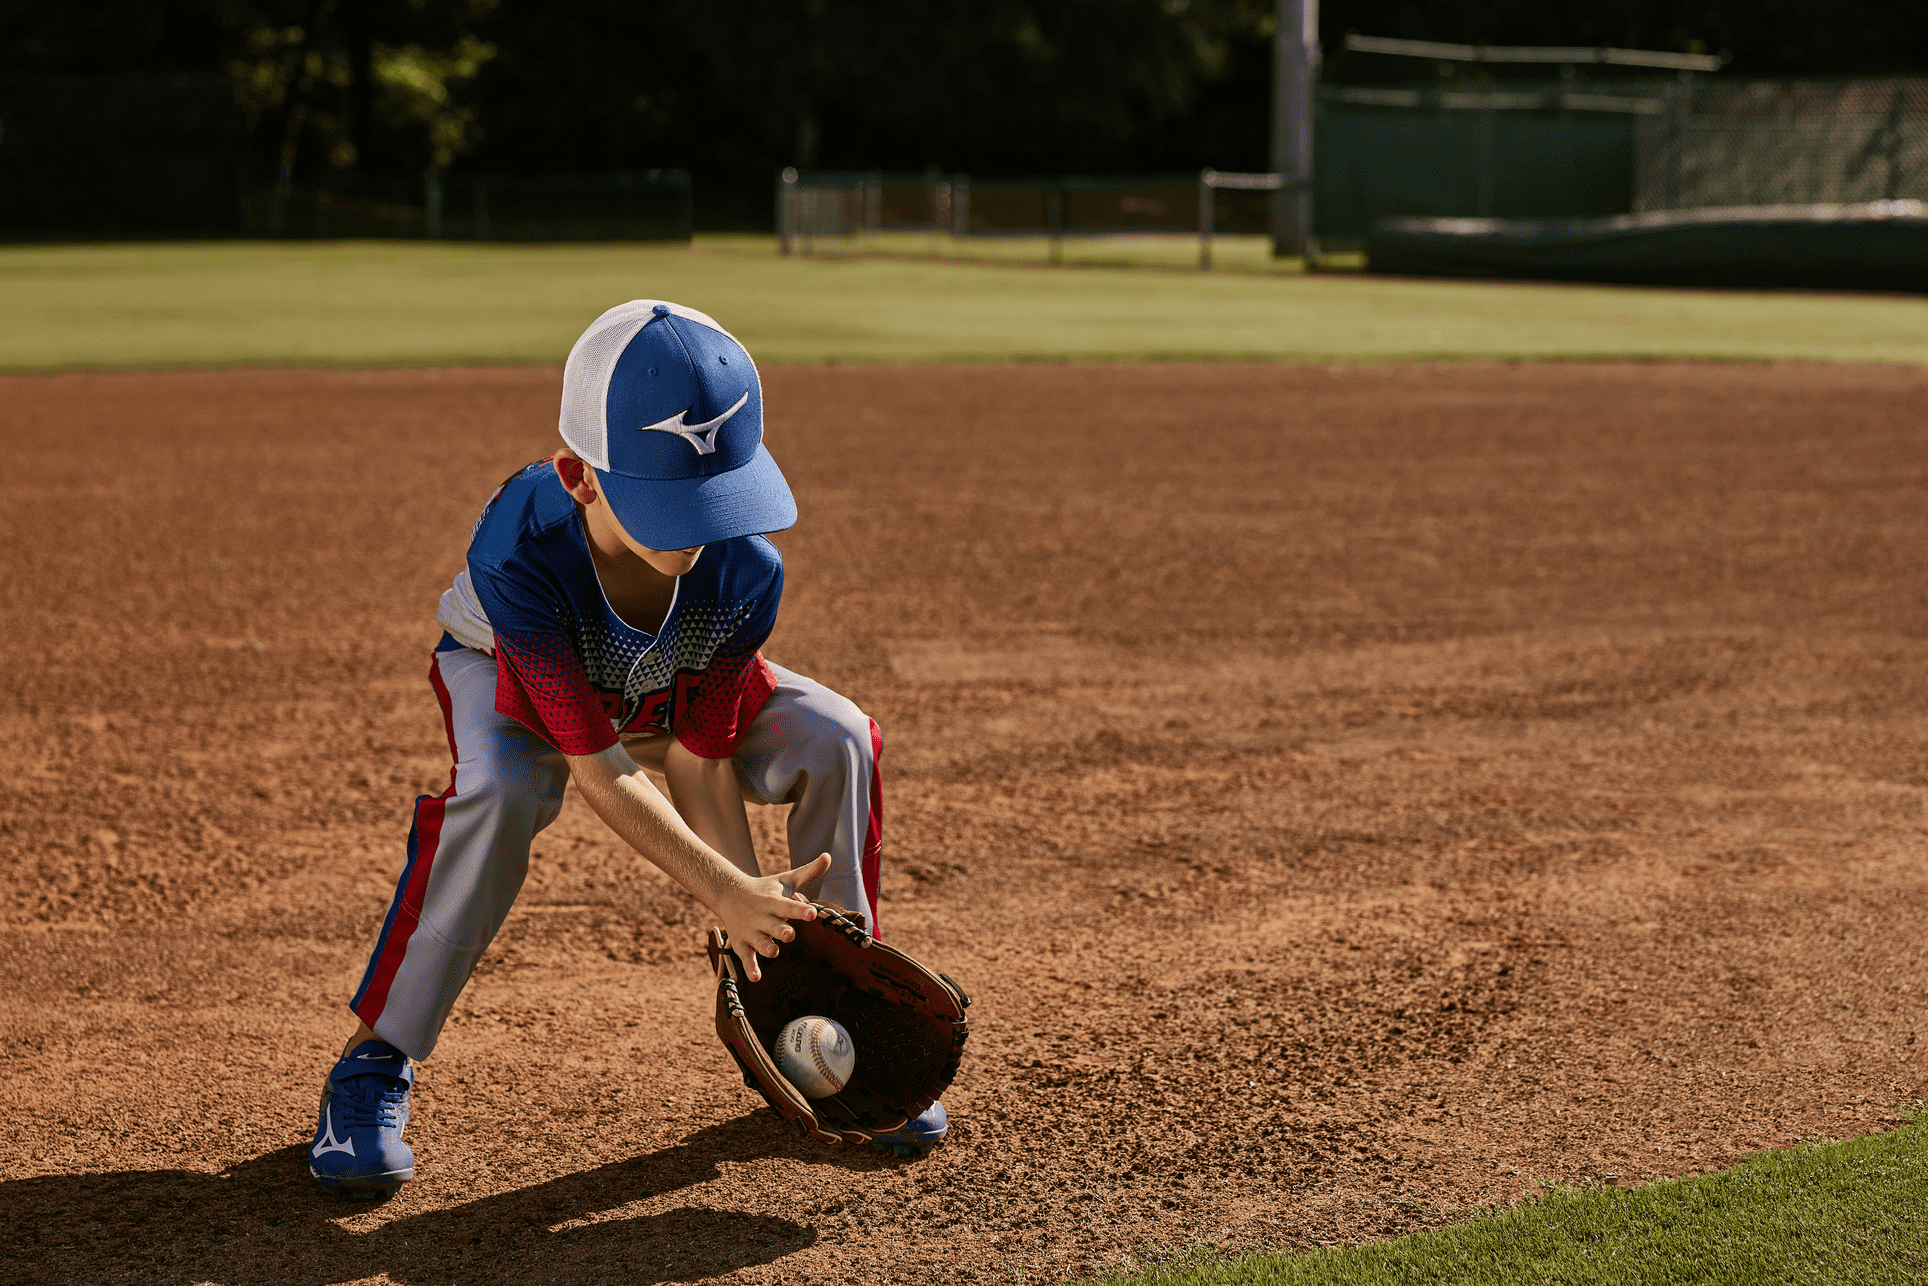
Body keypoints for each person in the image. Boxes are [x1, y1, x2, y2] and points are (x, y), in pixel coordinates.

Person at [309, 300, 945, 1199]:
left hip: (665, 684)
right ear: (581, 476)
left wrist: (754, 918)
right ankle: (375, 1061)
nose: (699, 527)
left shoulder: (743, 570)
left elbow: (698, 753)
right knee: (501, 792)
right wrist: (724, 889)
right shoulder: (521, 548)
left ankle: (833, 992)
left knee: (838, 734)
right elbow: (599, 768)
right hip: (521, 681)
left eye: (717, 497)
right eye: (669, 501)